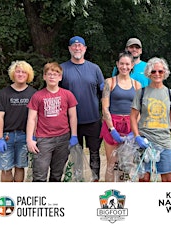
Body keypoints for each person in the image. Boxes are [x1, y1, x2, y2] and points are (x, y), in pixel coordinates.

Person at [60, 36, 105, 181]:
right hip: (71, 122)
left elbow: (103, 92)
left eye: (80, 46)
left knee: (94, 153)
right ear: (69, 49)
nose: (77, 48)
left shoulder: (95, 68)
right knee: (75, 154)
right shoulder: (62, 69)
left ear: (85, 49)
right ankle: (78, 181)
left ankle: (95, 180)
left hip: (93, 119)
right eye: (74, 46)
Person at [26, 62, 78, 182]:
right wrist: (29, 139)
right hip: (43, 139)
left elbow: (73, 116)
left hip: (63, 138)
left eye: (55, 74)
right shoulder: (37, 96)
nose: (52, 77)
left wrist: (74, 135)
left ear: (60, 77)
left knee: (57, 174)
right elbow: (31, 119)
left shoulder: (67, 94)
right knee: (39, 174)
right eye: (49, 74)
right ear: (44, 77)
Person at [130, 57, 171, 182]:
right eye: (153, 71)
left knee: (168, 179)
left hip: (164, 141)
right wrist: (137, 137)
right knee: (144, 179)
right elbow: (133, 116)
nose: (157, 74)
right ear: (148, 73)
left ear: (165, 73)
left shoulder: (170, 93)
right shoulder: (141, 92)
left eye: (160, 71)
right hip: (145, 140)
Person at [101, 51, 142, 182]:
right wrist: (112, 129)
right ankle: (108, 194)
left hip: (129, 124)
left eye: (127, 64)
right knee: (112, 165)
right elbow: (105, 108)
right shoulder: (110, 82)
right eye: (122, 64)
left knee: (126, 164)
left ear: (132, 66)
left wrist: (133, 131)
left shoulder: (137, 85)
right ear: (117, 64)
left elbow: (138, 111)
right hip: (112, 123)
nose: (124, 67)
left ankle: (124, 192)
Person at [0, 61, 37, 182]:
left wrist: (33, 136)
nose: (21, 74)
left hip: (24, 137)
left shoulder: (33, 93)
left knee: (20, 167)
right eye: (18, 71)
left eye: (24, 72)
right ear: (13, 74)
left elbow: (35, 118)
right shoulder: (4, 93)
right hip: (7, 137)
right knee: (6, 168)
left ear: (29, 75)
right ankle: (8, 196)